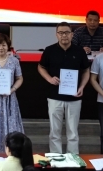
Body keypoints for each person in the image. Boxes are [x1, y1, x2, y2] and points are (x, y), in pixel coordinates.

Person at [38, 22, 90, 154]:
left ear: (72, 34)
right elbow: (41, 67)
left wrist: (82, 86)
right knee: (55, 131)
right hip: (54, 97)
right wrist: (49, 79)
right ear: (56, 35)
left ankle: (72, 158)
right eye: (60, 33)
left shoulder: (79, 51)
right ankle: (56, 158)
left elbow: (86, 70)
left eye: (66, 32)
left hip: (74, 97)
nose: (64, 35)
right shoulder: (49, 50)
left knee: (72, 132)